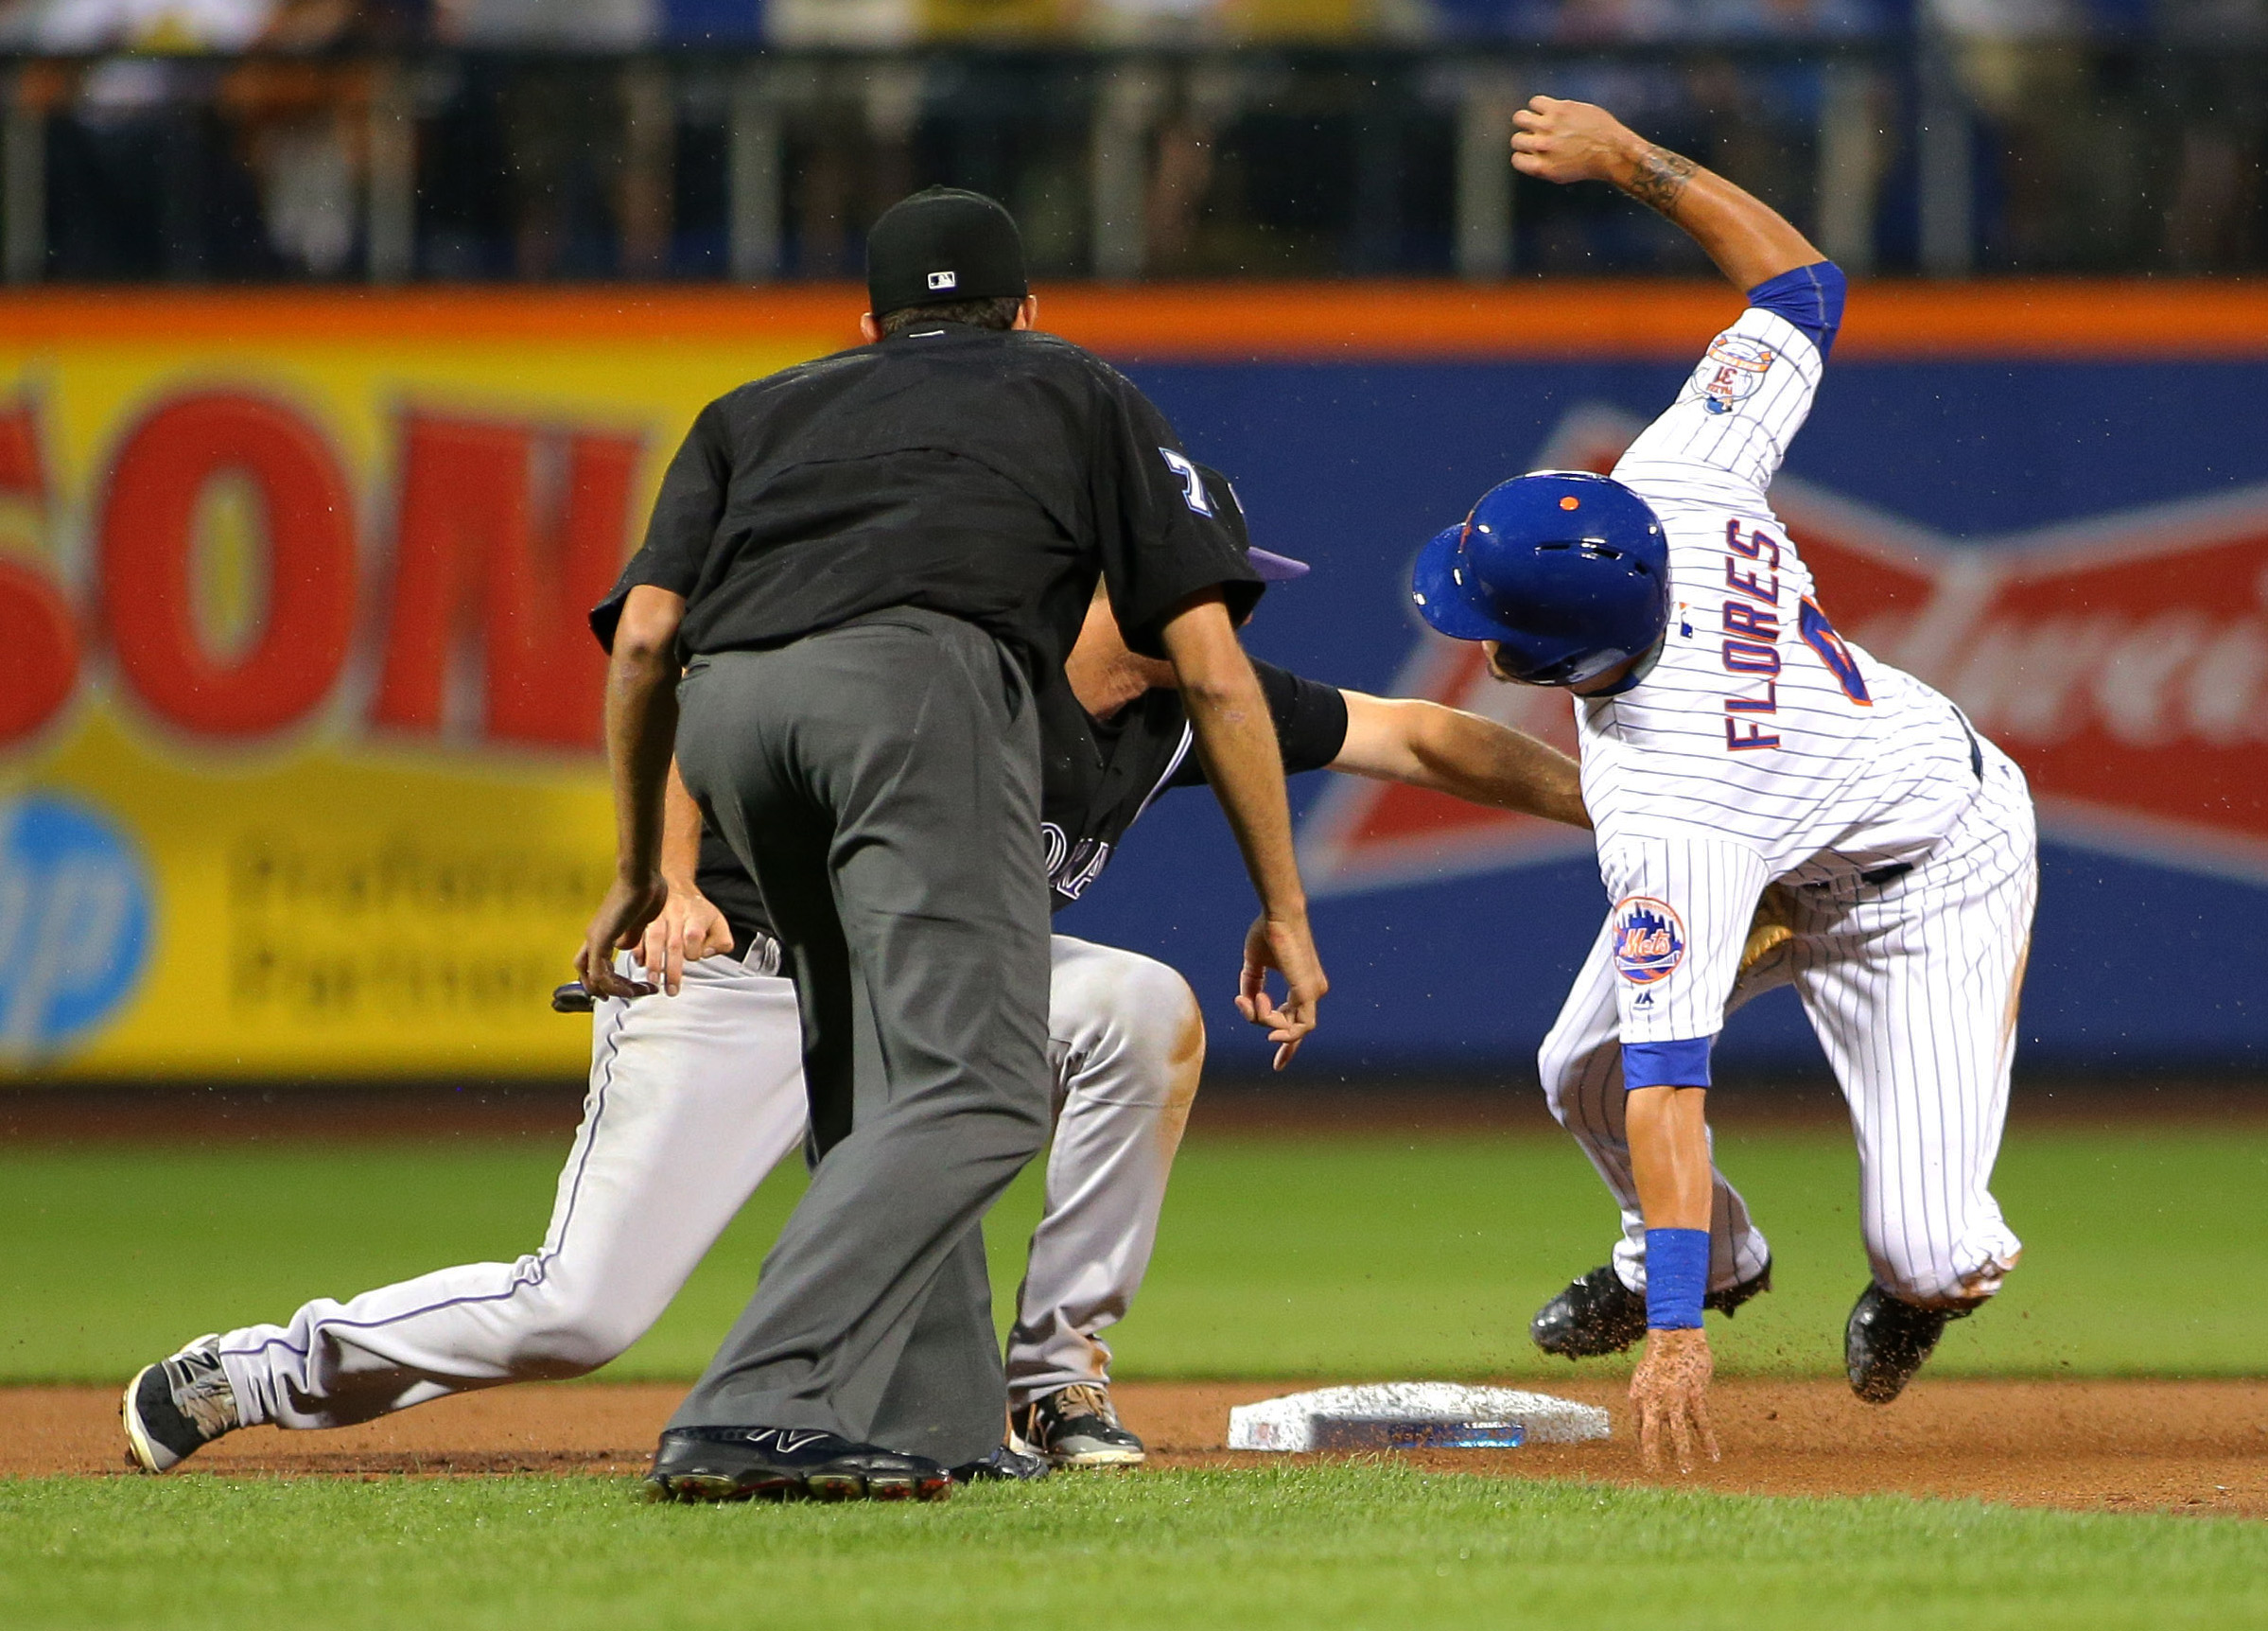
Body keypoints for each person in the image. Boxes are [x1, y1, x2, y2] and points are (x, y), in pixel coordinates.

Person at [116, 467, 1594, 1484]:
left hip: (934, 983)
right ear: (1112, 581)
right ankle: (258, 1372)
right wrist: (673, 878)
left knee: (1138, 1005)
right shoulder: (943, 643)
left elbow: (1422, 735)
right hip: (752, 976)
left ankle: (1053, 1375)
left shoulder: (1192, 702)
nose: (1230, 619)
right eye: (1206, 591)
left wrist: (1624, 813)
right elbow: (700, 683)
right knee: (580, 1315)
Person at [1410, 97, 2036, 1473]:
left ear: (1545, 652)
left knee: (1925, 1246)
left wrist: (1673, 1339)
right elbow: (1802, 284)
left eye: (1489, 626)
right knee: (1567, 1064)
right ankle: (1722, 1256)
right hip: (1786, 833)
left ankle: (1924, 1290)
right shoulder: (1674, 481)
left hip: (1926, 867)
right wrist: (1633, 161)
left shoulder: (1665, 805)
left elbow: (1675, 1084)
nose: (1479, 637)